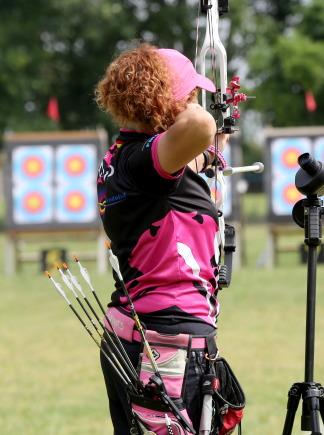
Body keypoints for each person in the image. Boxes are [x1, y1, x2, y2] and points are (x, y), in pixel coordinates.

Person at [95, 42, 229, 435]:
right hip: (167, 342)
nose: (193, 101)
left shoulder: (120, 158)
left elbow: (187, 154)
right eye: (188, 95)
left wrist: (212, 153)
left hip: (131, 333)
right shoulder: (146, 164)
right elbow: (200, 127)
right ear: (164, 102)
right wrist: (184, 111)